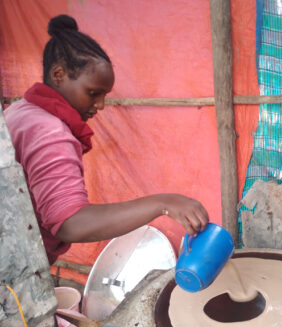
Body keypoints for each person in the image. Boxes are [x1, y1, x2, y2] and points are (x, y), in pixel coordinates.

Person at [4, 14, 209, 265]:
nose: (100, 105)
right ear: (58, 75)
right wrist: (163, 203)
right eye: (93, 93)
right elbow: (70, 222)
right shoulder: (50, 132)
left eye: (104, 95)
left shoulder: (20, 110)